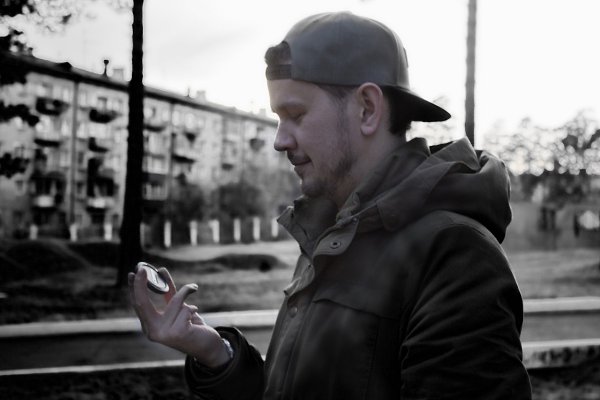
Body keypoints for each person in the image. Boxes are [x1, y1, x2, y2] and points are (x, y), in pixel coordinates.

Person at [129, 11, 532, 399]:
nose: (280, 140)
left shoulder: (455, 254)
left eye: (295, 114)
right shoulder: (329, 235)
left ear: (367, 109)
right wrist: (216, 354)